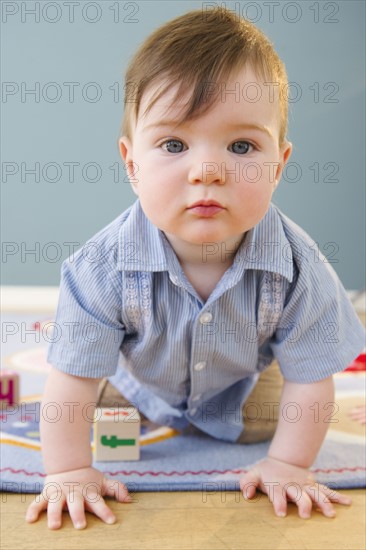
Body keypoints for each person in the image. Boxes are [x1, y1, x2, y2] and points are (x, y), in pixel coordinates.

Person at [25, 7, 365, 529]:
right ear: (131, 164)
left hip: (243, 389)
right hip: (139, 385)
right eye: (174, 145)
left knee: (283, 417)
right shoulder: (99, 266)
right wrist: (68, 470)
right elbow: (72, 374)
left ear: (279, 166)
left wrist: (288, 463)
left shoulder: (300, 266)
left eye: (242, 146)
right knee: (92, 410)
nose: (207, 170)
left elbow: (312, 376)